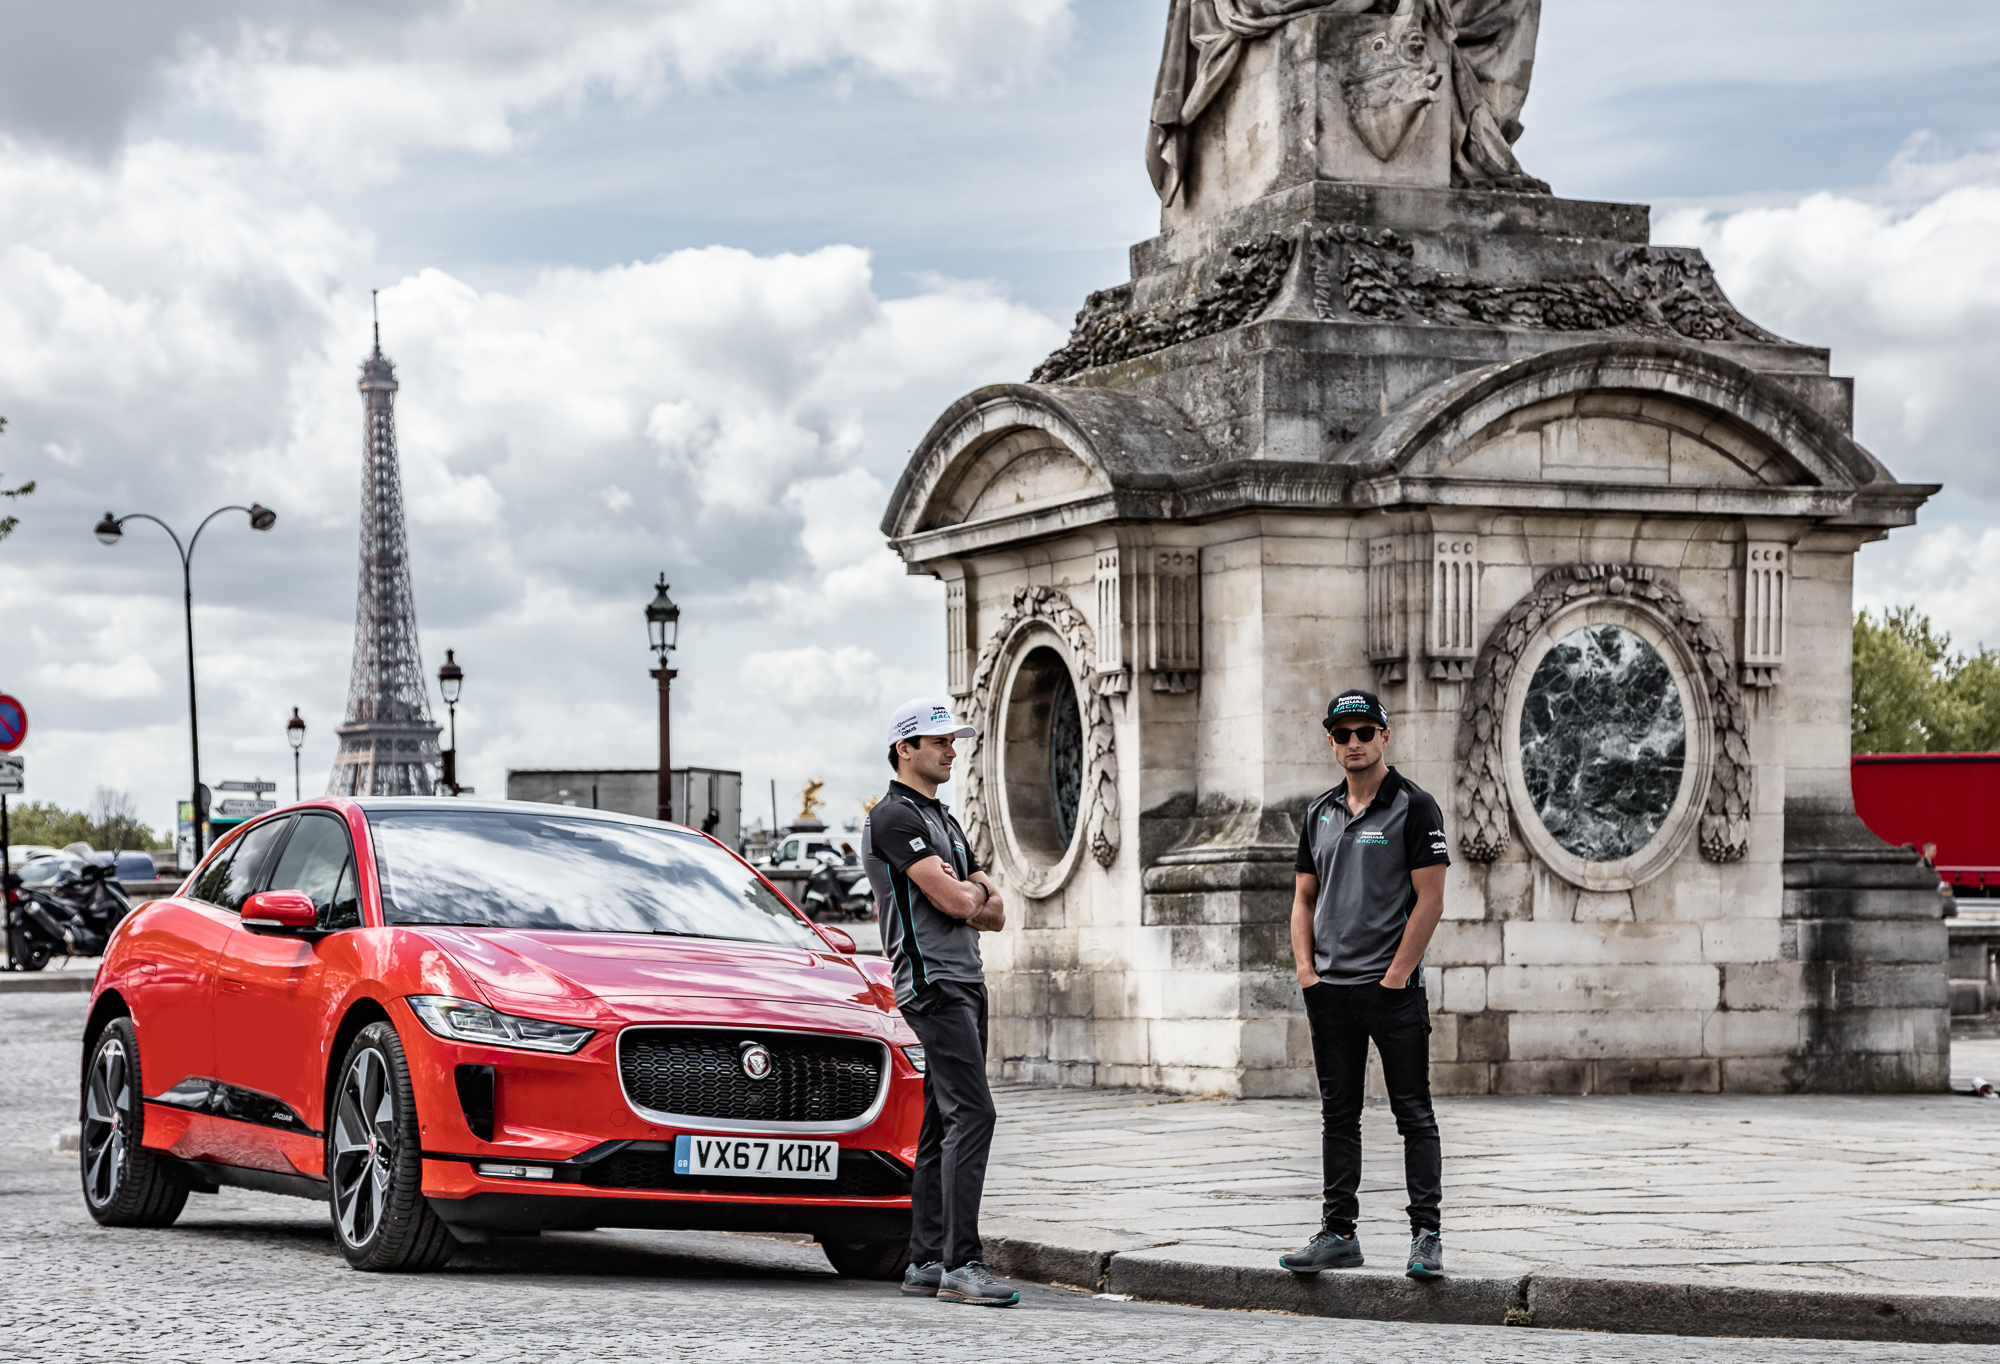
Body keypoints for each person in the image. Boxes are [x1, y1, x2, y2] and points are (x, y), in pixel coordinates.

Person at [1279, 687, 1451, 1280]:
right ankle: (1338, 1234)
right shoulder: (1319, 812)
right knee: (1338, 1115)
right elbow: (1304, 900)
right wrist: (1307, 972)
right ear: (1331, 741)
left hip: (1392, 991)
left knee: (1413, 1114)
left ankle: (1425, 1237)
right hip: (1330, 992)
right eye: (1341, 734)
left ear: (1385, 734)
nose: (1353, 743)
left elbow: (1431, 900)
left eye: (1363, 732)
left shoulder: (1415, 806)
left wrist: (1396, 976)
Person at [861, 698, 1020, 1308]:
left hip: (966, 981)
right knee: (974, 1114)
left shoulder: (945, 821)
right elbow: (959, 904)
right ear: (905, 748)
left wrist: (971, 889)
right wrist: (972, 890)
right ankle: (962, 1263)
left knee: (940, 1120)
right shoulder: (893, 817)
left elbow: (998, 913)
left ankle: (925, 1259)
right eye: (939, 742)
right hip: (933, 984)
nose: (951, 750)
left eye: (953, 741)